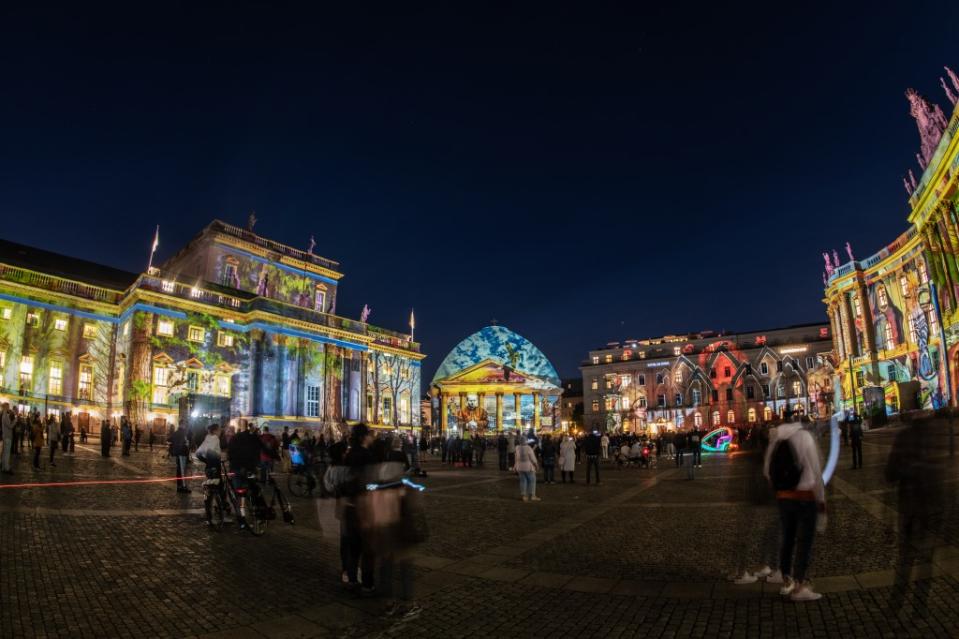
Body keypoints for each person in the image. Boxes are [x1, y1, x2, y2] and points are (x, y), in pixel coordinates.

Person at [764, 415, 826, 602]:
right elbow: (816, 469)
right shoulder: (805, 437)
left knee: (788, 539)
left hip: (784, 499)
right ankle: (800, 586)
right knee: (804, 542)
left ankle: (786, 581)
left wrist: (782, 488)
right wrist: (821, 499)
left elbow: (767, 471)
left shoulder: (776, 439)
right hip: (805, 497)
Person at [168, 421, 191, 493]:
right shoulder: (181, 433)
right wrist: (185, 444)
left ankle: (180, 486)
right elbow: (183, 443)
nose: (185, 426)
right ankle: (182, 487)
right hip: (182, 453)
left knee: (180, 470)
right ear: (182, 425)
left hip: (179, 454)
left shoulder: (177, 432)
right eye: (185, 425)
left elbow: (169, 440)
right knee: (182, 471)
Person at [515, 436, 539, 501]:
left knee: (522, 481)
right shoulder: (528, 448)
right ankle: (532, 496)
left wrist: (515, 466)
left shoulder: (517, 448)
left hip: (520, 466)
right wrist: (536, 465)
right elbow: (533, 458)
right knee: (532, 481)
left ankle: (524, 496)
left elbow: (516, 458)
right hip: (528, 466)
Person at [1, 403, 14, 474]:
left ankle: (4, 467)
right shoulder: (5, 416)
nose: (9, 407)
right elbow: (10, 426)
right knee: (7, 453)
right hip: (7, 437)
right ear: (6, 407)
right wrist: (15, 421)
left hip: (5, 436)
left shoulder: (4, 415)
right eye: (8, 406)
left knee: (4, 453)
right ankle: (6, 468)